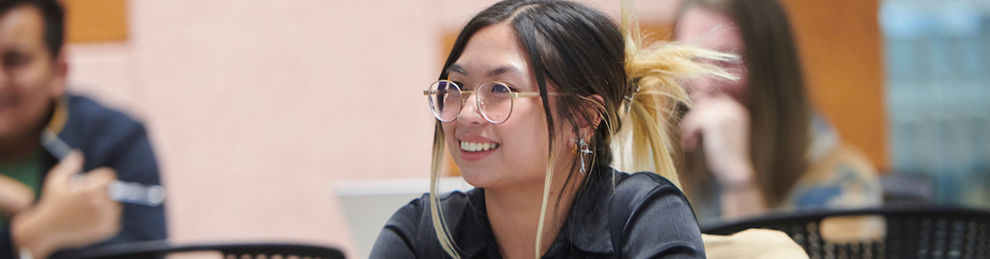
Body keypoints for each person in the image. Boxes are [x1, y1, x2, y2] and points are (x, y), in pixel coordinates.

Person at [371, 0, 735, 258]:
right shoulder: (422, 229)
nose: (466, 114)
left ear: (581, 117)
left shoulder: (641, 215)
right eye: (458, 87)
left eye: (501, 90)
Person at [672, 0, 882, 223]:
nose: (705, 83)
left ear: (772, 69)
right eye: (691, 60)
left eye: (728, 61)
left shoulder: (844, 178)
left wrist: (737, 177)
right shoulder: (668, 162)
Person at [0, 0, 166, 258]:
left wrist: (33, 219)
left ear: (59, 71)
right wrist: (37, 231)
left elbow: (147, 251)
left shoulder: (117, 139)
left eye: (15, 61)